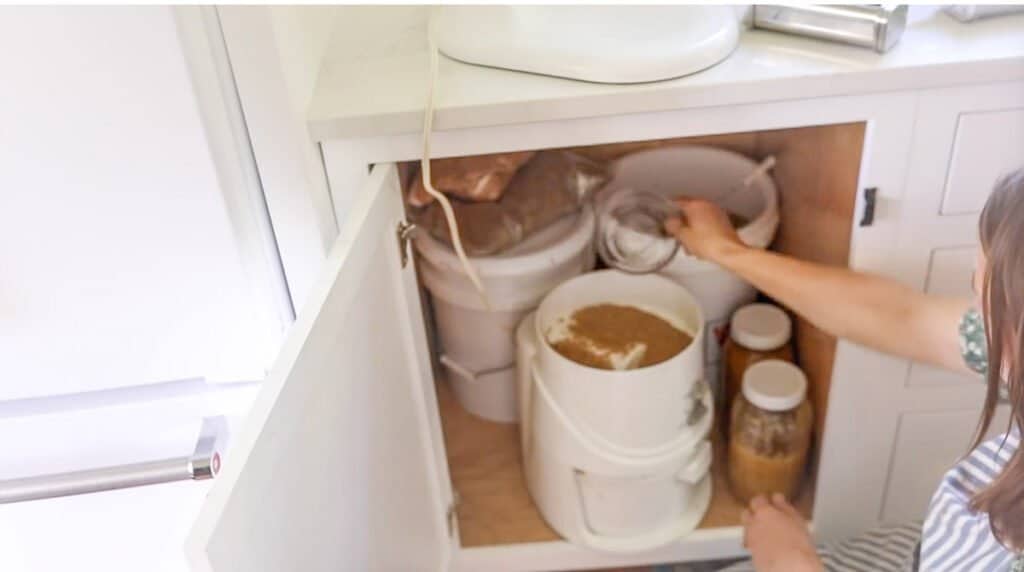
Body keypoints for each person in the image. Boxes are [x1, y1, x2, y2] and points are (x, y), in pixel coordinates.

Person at [665, 168, 1024, 572]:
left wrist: (789, 559)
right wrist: (728, 252)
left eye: (983, 298)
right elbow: (903, 319)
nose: (978, 314)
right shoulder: (1008, 348)